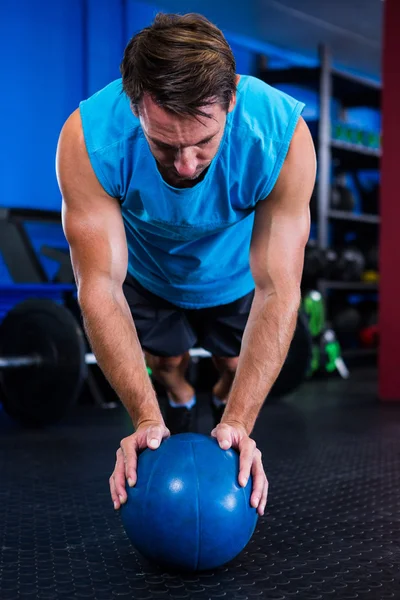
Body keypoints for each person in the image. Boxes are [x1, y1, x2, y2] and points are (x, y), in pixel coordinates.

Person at [56, 13, 316, 519]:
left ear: (231, 103)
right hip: (150, 273)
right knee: (168, 364)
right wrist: (144, 419)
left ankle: (216, 398)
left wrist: (239, 423)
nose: (185, 166)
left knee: (237, 370)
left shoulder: (280, 138)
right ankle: (176, 395)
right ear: (136, 108)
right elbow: (100, 288)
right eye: (165, 145)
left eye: (204, 143)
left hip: (237, 274)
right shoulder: (88, 140)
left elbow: (279, 289)